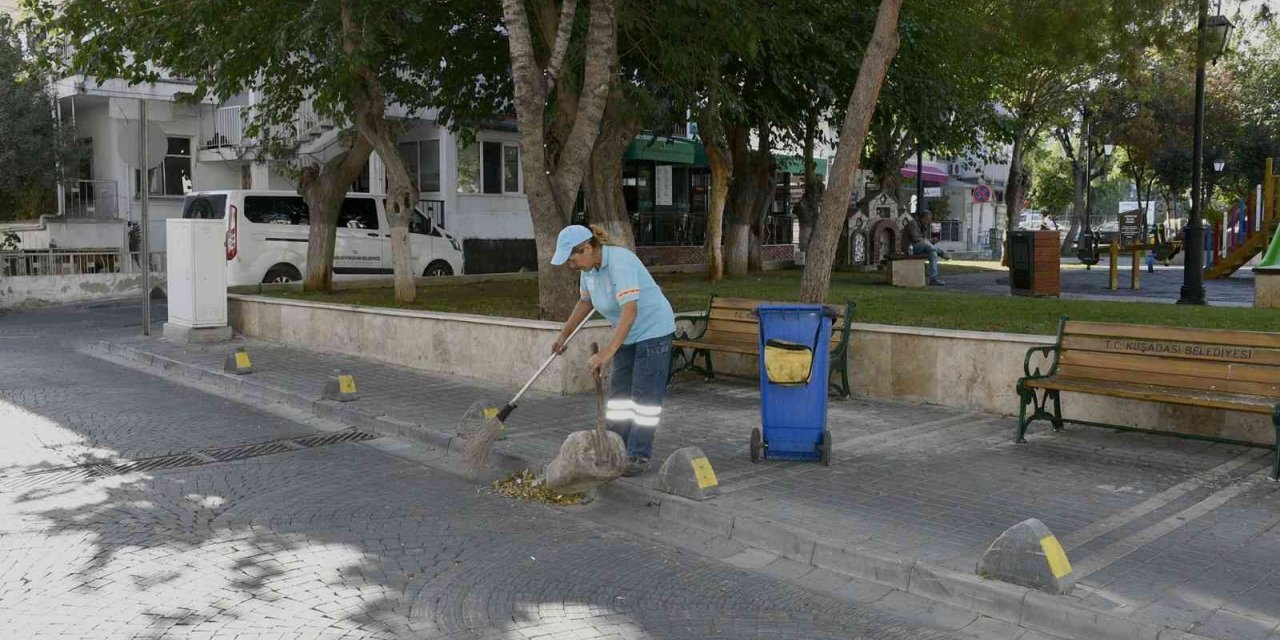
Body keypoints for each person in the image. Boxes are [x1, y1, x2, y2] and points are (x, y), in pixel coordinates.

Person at [550, 225, 677, 477]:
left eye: (572, 258)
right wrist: (564, 335)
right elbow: (585, 302)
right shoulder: (589, 270)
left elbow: (630, 311)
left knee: (644, 399)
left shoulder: (620, 261)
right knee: (619, 396)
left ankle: (637, 455)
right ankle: (613, 446)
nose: (571, 265)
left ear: (587, 248)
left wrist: (607, 353)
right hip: (627, 334)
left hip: (654, 332)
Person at [904, 212, 949, 286]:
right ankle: (941, 253)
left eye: (929, 220)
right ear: (922, 218)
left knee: (933, 253)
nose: (929, 222)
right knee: (925, 242)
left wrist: (932, 241)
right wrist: (929, 241)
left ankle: (933, 279)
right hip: (910, 248)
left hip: (920, 247)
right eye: (927, 219)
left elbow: (926, 242)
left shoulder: (924, 226)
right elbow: (916, 239)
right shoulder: (913, 224)